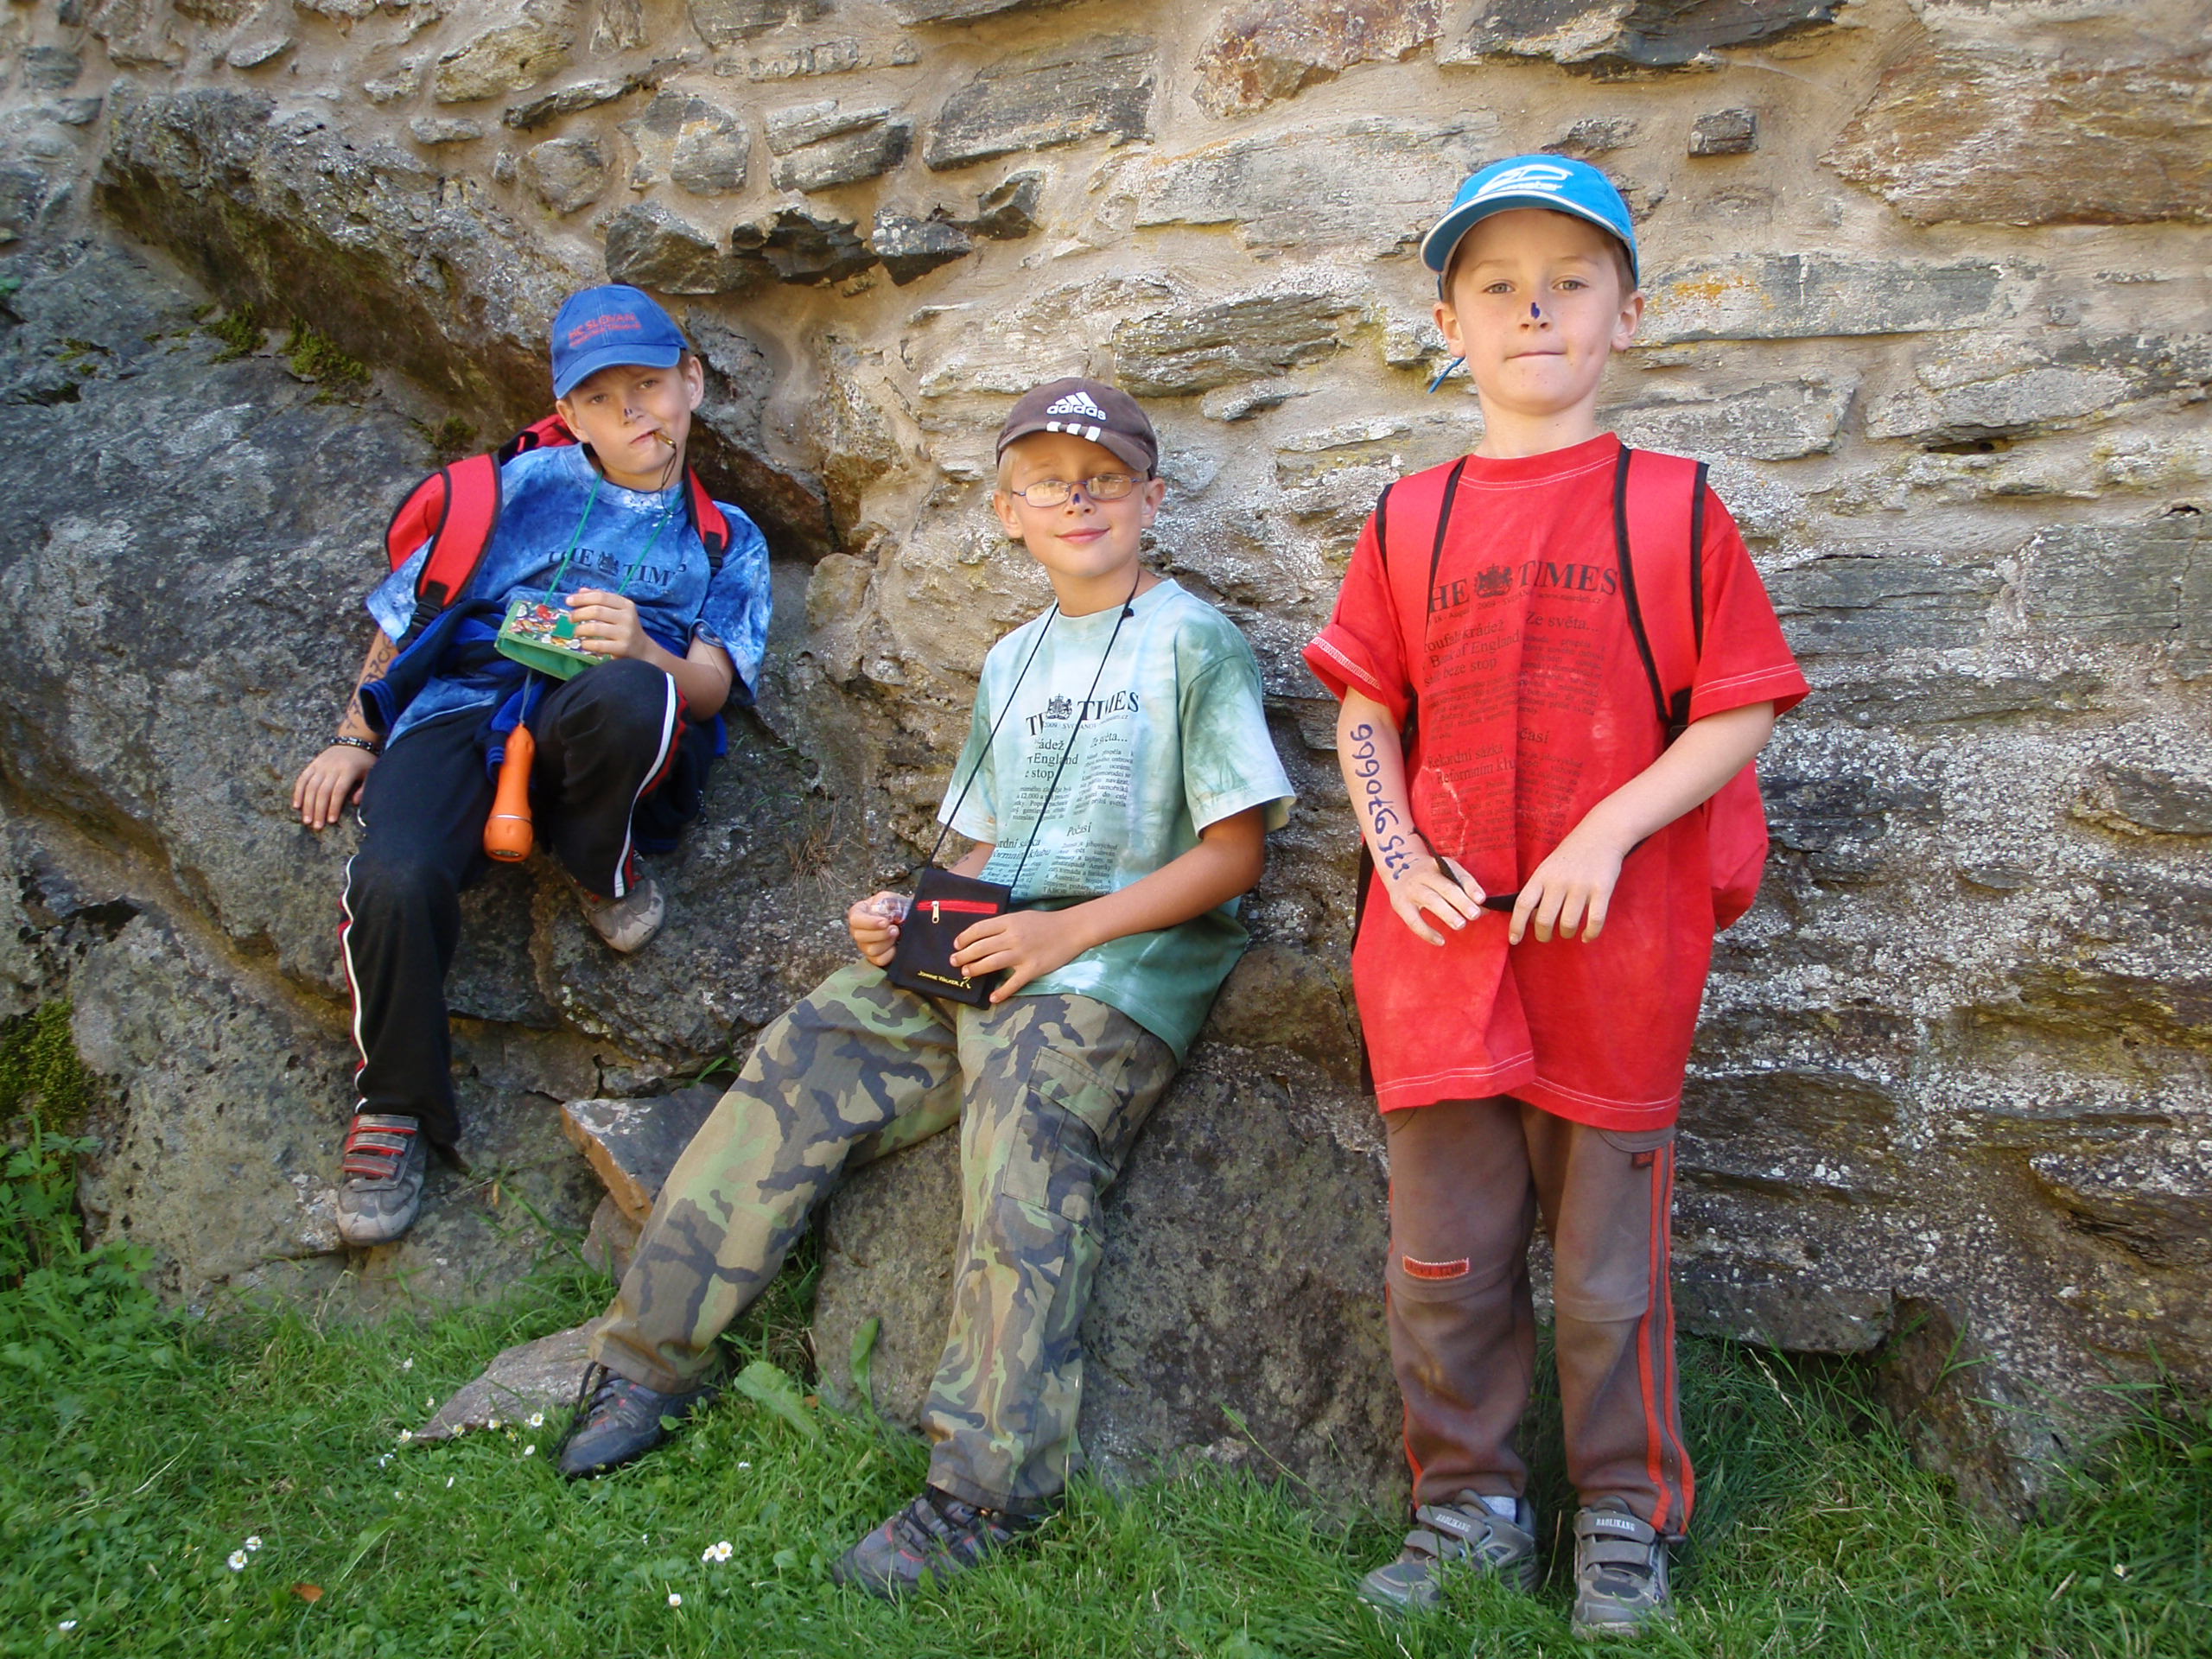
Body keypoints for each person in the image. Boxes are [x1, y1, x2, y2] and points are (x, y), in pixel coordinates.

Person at [556, 377, 1295, 1599]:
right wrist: (906, 916)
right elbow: (977, 848)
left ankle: (987, 1490)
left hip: (1114, 964)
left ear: (1151, 500)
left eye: (1104, 480)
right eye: (1049, 484)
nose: (1079, 501)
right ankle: (647, 1361)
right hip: (984, 946)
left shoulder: (1191, 641)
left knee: (1022, 1137)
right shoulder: (1012, 658)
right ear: (1008, 512)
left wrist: (1064, 935)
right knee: (802, 1055)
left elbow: (1235, 855)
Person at [1302, 157, 1808, 1637]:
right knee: (1443, 1262)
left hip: (1615, 948)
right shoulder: (1411, 517)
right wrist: (1400, 857)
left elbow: (1738, 705)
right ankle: (1465, 1509)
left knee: (1605, 1279)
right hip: (1442, 956)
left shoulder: (1674, 505)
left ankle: (1623, 1519)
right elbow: (1365, 704)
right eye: (1499, 287)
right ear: (1448, 325)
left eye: (1570, 284)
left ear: (1626, 317)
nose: (1536, 311)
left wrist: (1606, 834)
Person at [290, 284, 772, 1249]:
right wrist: (355, 736)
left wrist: (645, 648)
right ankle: (394, 1104)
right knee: (393, 877)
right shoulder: (513, 491)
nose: (633, 413)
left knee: (634, 694)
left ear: (692, 381)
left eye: (649, 384)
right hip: (465, 704)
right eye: (601, 398)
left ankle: (598, 859)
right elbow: (411, 617)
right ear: (570, 415)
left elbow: (712, 686)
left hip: (601, 725)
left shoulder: (726, 538)